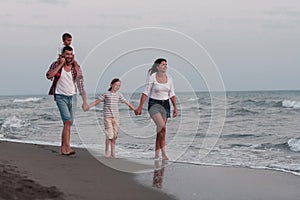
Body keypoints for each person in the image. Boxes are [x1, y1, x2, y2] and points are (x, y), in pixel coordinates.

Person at [46, 46, 88, 156]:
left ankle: (63, 148)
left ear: (73, 55)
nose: (69, 56)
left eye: (70, 54)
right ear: (63, 55)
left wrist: (84, 101)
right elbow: (49, 75)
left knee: (67, 123)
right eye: (67, 54)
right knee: (68, 121)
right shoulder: (56, 64)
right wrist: (60, 64)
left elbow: (80, 84)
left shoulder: (76, 68)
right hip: (60, 97)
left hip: (73, 97)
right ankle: (67, 148)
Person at [135, 58, 178, 160]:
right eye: (163, 64)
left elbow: (172, 94)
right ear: (158, 66)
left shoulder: (170, 78)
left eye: (166, 64)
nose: (165, 66)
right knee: (162, 127)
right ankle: (163, 154)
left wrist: (175, 108)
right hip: (154, 104)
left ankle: (156, 155)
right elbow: (146, 92)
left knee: (160, 131)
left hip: (166, 104)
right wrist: (140, 107)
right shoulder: (152, 77)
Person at [84, 78, 136, 158]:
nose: (117, 87)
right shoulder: (106, 94)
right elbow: (97, 101)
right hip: (107, 117)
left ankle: (113, 153)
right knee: (109, 135)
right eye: (116, 85)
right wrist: (88, 106)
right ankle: (107, 152)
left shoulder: (119, 95)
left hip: (116, 117)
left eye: (119, 86)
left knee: (114, 136)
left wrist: (134, 109)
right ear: (111, 85)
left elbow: (126, 102)